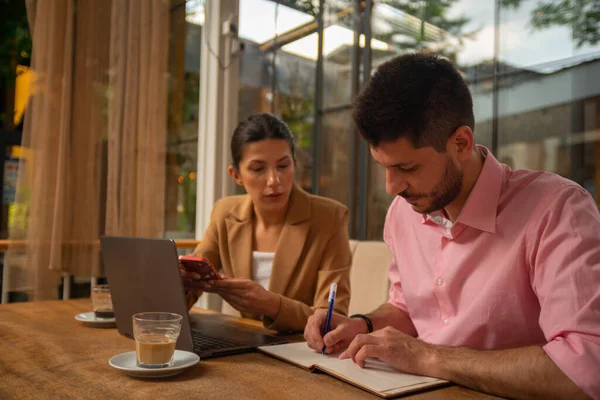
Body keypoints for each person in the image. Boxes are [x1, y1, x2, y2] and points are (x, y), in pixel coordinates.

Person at [303, 53, 600, 400]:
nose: (391, 187)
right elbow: (407, 309)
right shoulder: (403, 213)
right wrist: (361, 324)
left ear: (460, 142)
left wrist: (429, 357)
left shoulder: (558, 209)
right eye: (382, 167)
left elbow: (586, 368)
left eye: (407, 168)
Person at [181, 113, 351, 333]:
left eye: (283, 166)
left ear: (294, 165)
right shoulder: (225, 213)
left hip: (299, 350)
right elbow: (193, 280)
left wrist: (272, 305)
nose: (274, 180)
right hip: (244, 346)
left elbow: (333, 319)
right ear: (236, 175)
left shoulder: (330, 217)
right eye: (258, 169)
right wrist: (179, 280)